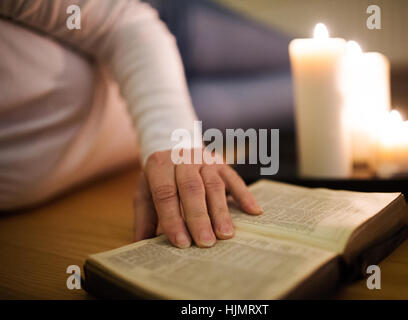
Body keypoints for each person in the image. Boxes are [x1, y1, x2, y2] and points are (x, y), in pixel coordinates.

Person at [0, 0, 263, 249]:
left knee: (297, 54)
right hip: (197, 114)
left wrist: (173, 143)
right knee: (296, 97)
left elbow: (123, 23)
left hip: (170, 40)